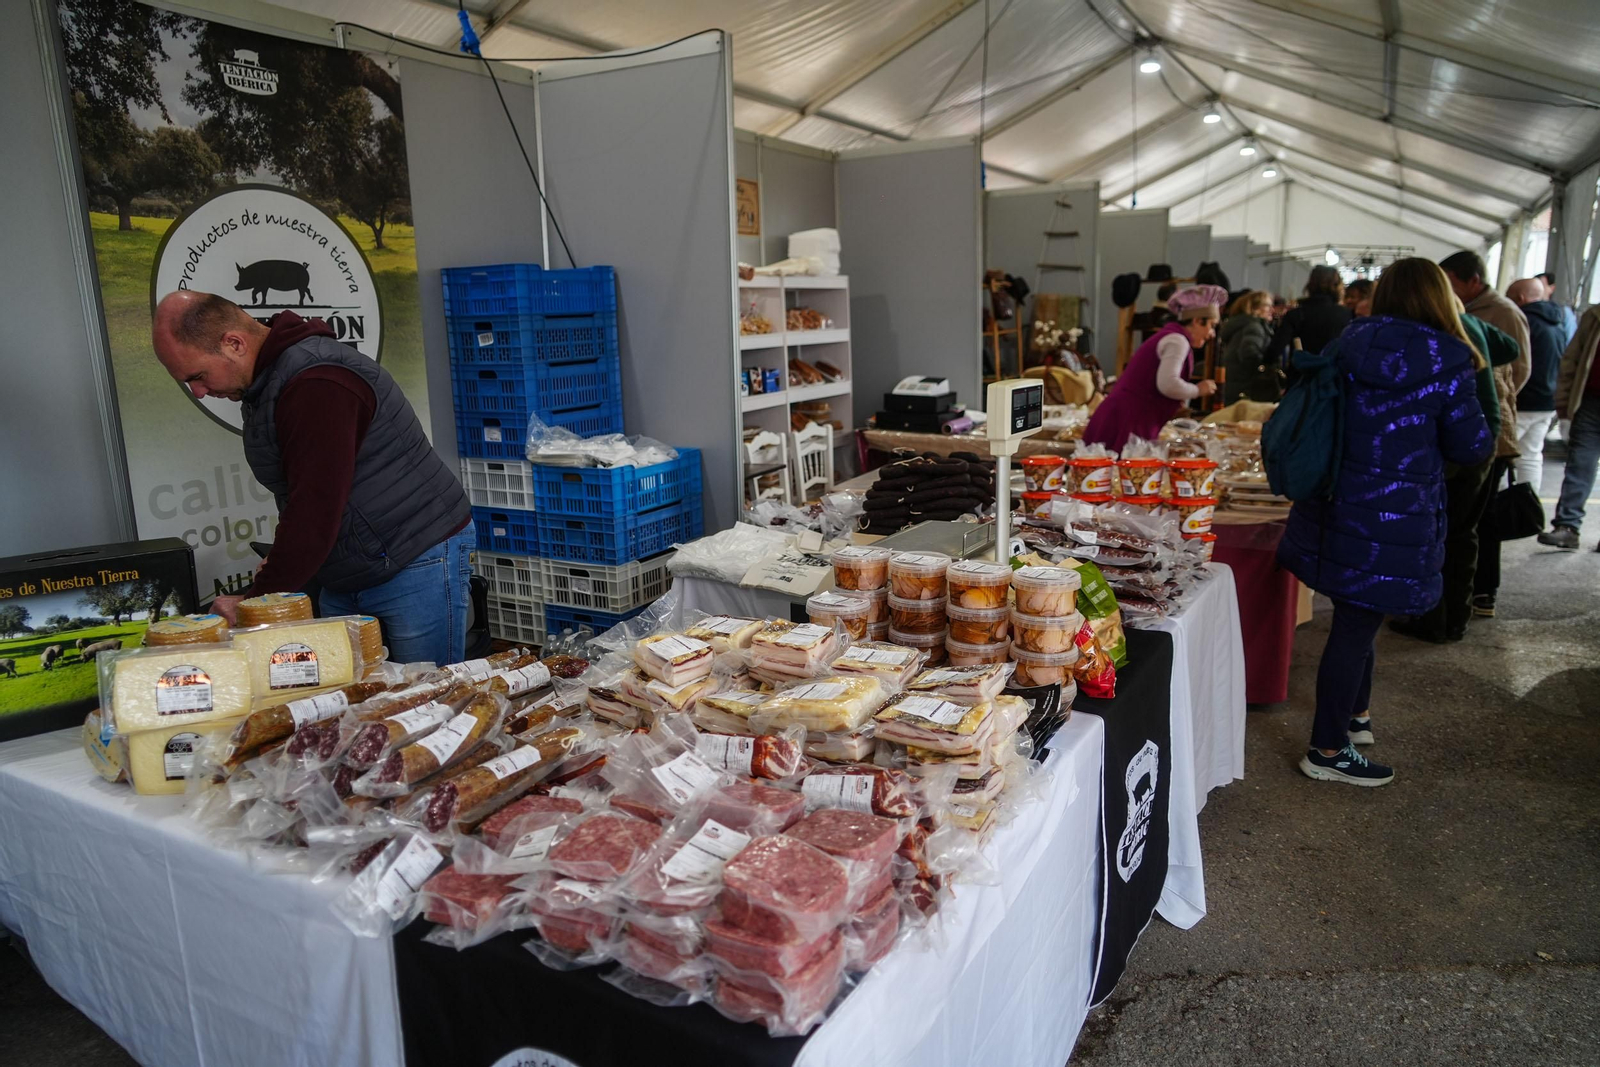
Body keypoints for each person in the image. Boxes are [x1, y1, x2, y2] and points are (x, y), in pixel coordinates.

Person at [151, 292, 476, 665]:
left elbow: (314, 511)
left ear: (234, 343)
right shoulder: (270, 382)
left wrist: (255, 600)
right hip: (351, 563)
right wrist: (279, 565)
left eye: (198, 376)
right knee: (353, 696)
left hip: (413, 554)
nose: (198, 392)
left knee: (424, 697)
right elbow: (305, 493)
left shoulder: (317, 380)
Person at [1277, 258, 1492, 786]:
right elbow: (1473, 444)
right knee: (1356, 623)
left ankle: (1356, 714)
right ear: (1441, 297)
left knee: (1360, 612)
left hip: (1338, 503)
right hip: (1395, 513)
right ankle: (1327, 749)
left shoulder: (1349, 342)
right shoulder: (1449, 356)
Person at [1389, 302, 1518, 643]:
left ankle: (1436, 620)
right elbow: (1511, 348)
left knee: (1443, 534)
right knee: (1464, 532)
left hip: (1459, 443)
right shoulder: (1470, 324)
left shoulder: (1433, 336)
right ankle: (1455, 618)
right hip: (1486, 438)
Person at [1438, 251, 1531, 618]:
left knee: (1478, 522)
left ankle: (1479, 595)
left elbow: (1517, 364)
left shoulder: (1500, 311)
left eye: (1451, 280)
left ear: (1472, 279)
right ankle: (1464, 600)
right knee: (1471, 522)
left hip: (1485, 427)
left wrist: (1488, 395)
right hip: (1478, 424)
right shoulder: (1470, 313)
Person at [1082, 285, 1226, 451]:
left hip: (1128, 416)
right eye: (1212, 325)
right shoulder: (1177, 341)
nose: (1212, 334)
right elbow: (1168, 384)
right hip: (1129, 419)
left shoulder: (1173, 336)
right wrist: (1198, 390)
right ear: (1196, 321)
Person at [1537, 302, 1600, 550]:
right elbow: (1571, 360)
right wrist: (1563, 404)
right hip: (1590, 403)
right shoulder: (1594, 316)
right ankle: (1567, 527)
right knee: (1579, 465)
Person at [1506, 278, 1567, 489]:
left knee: (1499, 456)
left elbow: (1517, 364)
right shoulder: (1558, 323)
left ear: (1520, 298)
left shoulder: (1522, 321)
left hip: (1522, 400)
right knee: (1531, 455)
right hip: (1547, 401)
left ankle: (1492, 509)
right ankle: (1528, 506)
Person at [1268, 265, 1353, 361]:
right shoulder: (1347, 315)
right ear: (1337, 286)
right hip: (1334, 373)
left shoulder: (1295, 315)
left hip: (1301, 373)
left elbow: (1274, 351)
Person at [1218, 290, 1278, 403]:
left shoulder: (1242, 325)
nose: (1272, 310)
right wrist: (1266, 368)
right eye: (1268, 306)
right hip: (1247, 386)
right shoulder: (1254, 327)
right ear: (1254, 308)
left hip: (1234, 384)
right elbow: (1249, 353)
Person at [1536, 271, 1579, 344]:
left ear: (1552, 288)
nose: (1537, 289)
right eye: (1535, 286)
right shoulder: (1526, 310)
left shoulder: (1564, 313)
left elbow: (1571, 341)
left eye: (1541, 286)